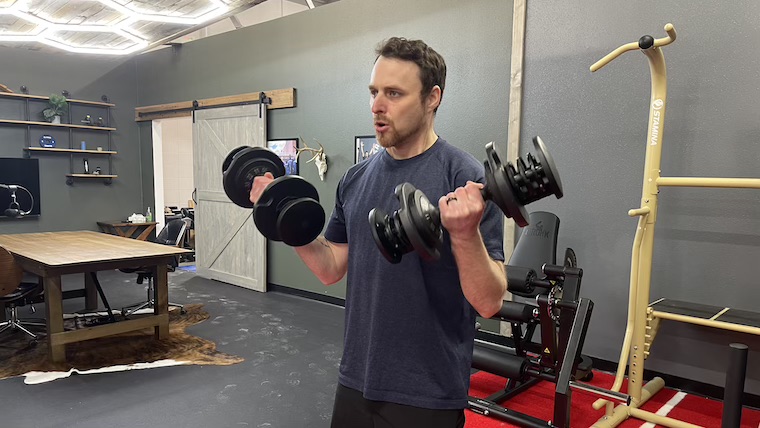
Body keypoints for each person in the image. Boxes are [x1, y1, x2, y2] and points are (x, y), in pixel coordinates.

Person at [250, 37, 506, 428]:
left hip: (427, 390)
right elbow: (331, 267)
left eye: (394, 93)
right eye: (373, 92)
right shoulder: (356, 179)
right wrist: (281, 217)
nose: (377, 106)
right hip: (357, 377)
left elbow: (489, 302)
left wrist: (465, 234)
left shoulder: (465, 178)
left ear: (432, 97)